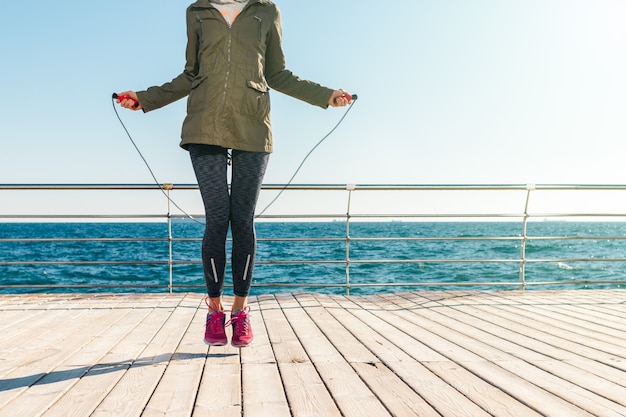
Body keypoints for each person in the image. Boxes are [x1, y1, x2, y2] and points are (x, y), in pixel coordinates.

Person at [116, 0, 353, 348]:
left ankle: (240, 313)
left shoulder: (266, 11)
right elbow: (190, 74)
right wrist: (145, 99)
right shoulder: (197, 11)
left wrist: (325, 95)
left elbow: (277, 74)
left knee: (242, 220)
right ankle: (215, 311)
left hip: (253, 126)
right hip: (203, 125)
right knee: (217, 217)